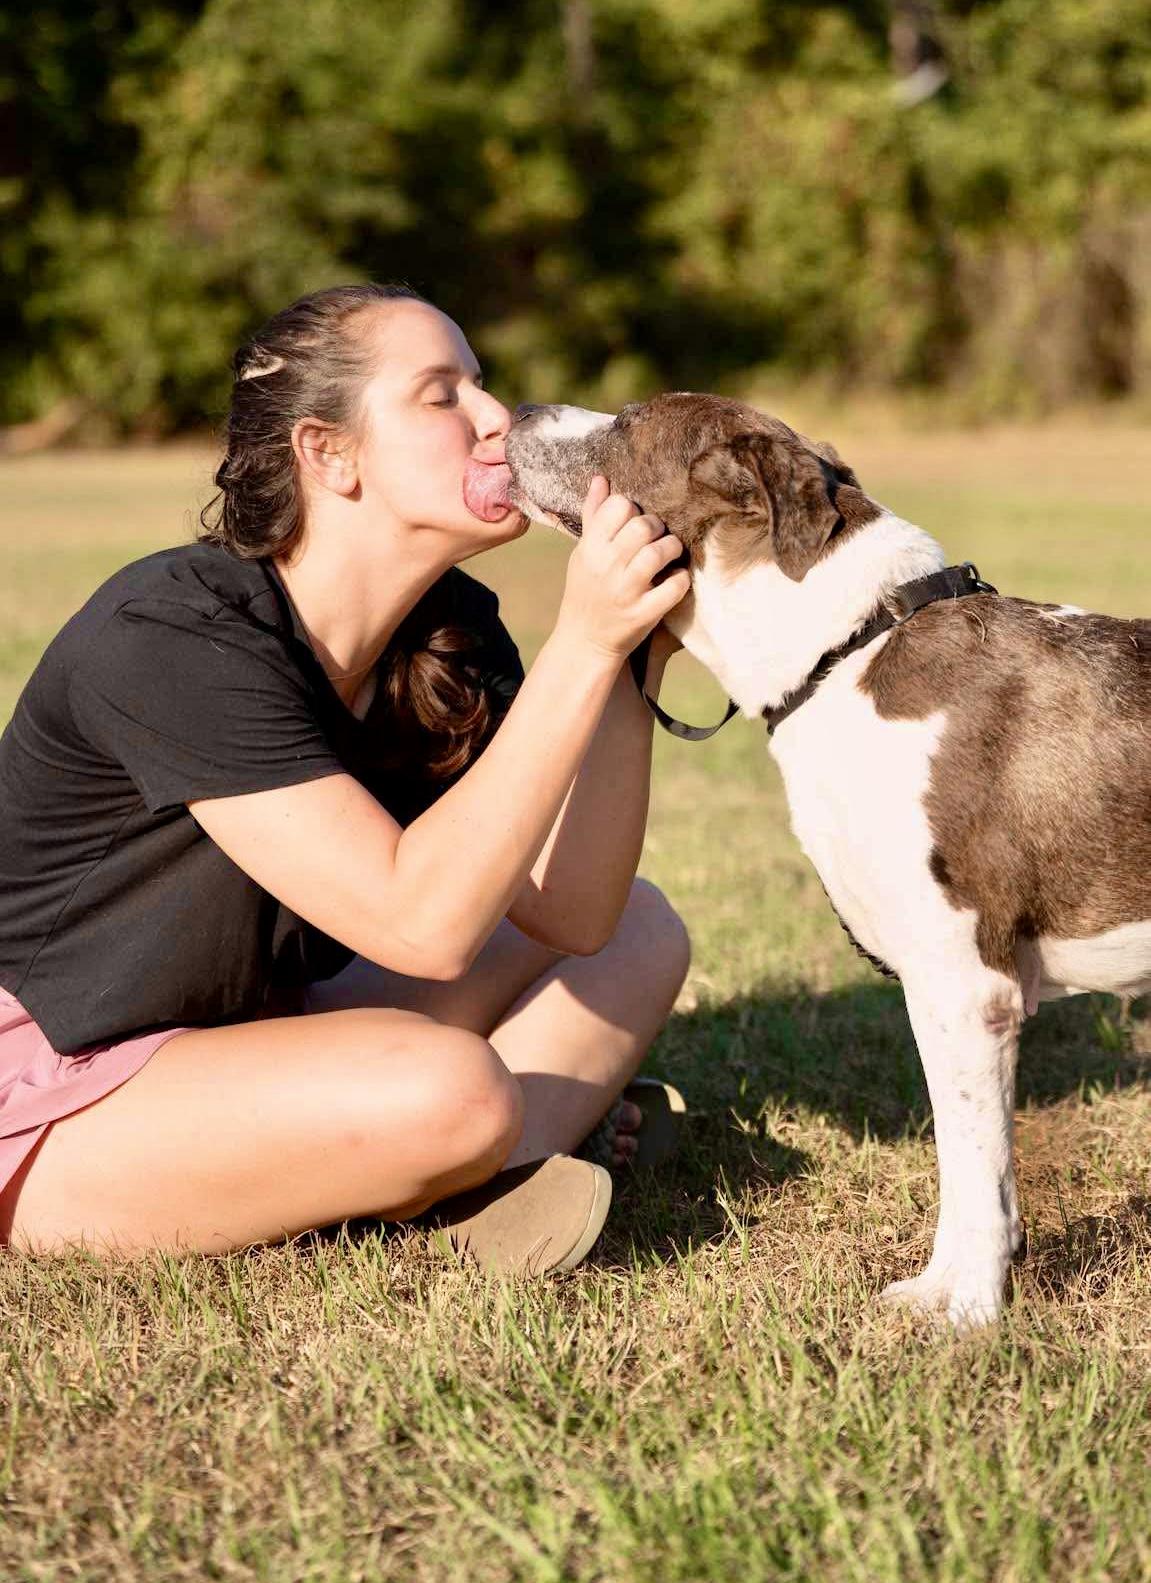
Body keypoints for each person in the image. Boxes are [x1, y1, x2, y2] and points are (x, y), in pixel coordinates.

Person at [0, 284, 693, 1269]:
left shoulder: (446, 631)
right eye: (440, 394)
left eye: (481, 385)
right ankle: (463, 1160)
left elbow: (574, 913)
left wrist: (629, 658)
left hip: (239, 1027)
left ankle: (472, 1177)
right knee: (446, 1087)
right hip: (50, 1076)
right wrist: (579, 643)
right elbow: (420, 923)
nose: (496, 419)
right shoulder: (171, 636)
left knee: (636, 930)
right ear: (328, 452)